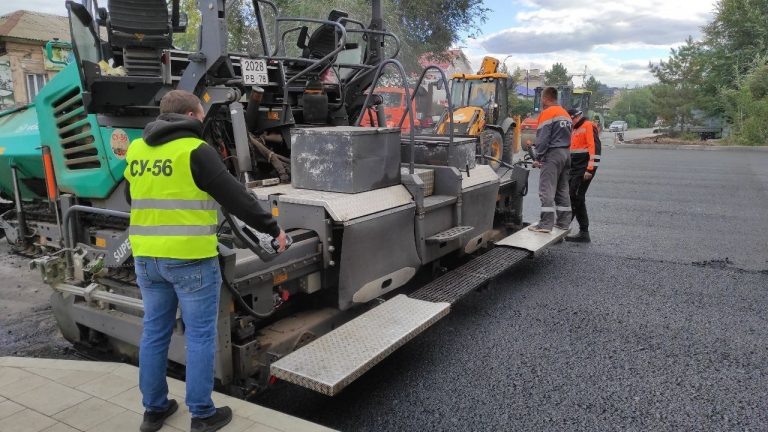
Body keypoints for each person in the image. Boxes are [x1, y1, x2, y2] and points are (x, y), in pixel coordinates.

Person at [124, 90, 287, 432]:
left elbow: (131, 195)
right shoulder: (196, 150)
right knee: (199, 335)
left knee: (155, 331)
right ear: (190, 115)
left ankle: (153, 411)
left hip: (146, 259)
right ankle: (201, 413)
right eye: (201, 116)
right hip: (189, 259)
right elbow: (236, 197)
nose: (203, 121)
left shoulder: (137, 149)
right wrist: (274, 229)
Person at [528, 87, 572, 233]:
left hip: (553, 155)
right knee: (562, 189)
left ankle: (545, 224)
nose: (541, 101)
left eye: (542, 98)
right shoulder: (565, 113)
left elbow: (543, 138)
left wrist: (538, 157)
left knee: (546, 189)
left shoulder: (548, 113)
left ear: (546, 98)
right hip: (566, 153)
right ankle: (563, 222)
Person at [566, 109, 602, 242]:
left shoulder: (588, 126)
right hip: (575, 168)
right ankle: (584, 233)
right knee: (577, 197)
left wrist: (590, 170)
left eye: (571, 120)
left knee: (574, 196)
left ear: (576, 117)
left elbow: (595, 150)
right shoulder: (575, 128)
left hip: (584, 169)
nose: (570, 123)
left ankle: (563, 227)